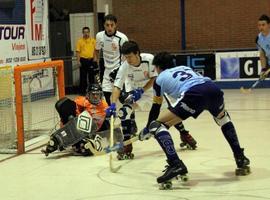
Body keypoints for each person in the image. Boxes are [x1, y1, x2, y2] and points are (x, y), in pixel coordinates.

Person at [138, 52, 250, 185]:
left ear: (157, 67)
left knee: (156, 126)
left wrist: (148, 128)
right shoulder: (185, 68)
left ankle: (175, 164)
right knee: (223, 118)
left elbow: (156, 107)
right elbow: (179, 113)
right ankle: (240, 157)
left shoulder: (159, 79)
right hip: (213, 89)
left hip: (194, 94)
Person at [105, 41, 196, 160]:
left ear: (137, 53)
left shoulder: (149, 59)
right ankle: (127, 144)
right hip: (136, 96)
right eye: (125, 57)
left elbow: (156, 77)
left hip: (154, 92)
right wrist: (112, 104)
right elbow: (117, 86)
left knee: (171, 113)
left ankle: (184, 134)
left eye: (130, 56)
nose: (128, 60)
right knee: (123, 113)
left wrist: (142, 90)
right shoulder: (125, 66)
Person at [41, 84, 110, 156]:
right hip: (79, 129)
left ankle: (84, 143)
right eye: (93, 94)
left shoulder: (104, 105)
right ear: (88, 95)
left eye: (97, 94)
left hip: (94, 130)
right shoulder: (82, 101)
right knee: (63, 103)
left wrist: (110, 114)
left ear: (101, 95)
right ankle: (57, 142)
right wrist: (70, 119)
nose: (95, 97)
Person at [95, 14, 128, 105]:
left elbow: (127, 55)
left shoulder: (122, 38)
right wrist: (95, 62)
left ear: (115, 25)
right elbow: (97, 50)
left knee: (123, 98)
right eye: (107, 25)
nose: (110, 28)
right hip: (107, 71)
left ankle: (129, 116)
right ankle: (110, 114)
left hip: (119, 70)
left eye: (112, 25)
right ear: (104, 25)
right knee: (105, 95)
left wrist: (122, 69)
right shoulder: (99, 36)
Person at [76, 27, 98, 95]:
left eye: (87, 32)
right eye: (84, 32)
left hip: (91, 60)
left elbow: (95, 51)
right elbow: (78, 52)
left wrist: (95, 59)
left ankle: (91, 92)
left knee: (91, 77)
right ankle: (82, 92)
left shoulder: (93, 41)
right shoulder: (79, 41)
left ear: (89, 32)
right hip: (83, 60)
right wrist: (78, 61)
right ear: (83, 33)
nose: (86, 34)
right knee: (83, 77)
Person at [257, 14, 270, 79]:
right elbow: (262, 55)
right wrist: (263, 69)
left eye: (263, 25)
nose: (261, 27)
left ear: (269, 25)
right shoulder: (258, 39)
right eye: (259, 25)